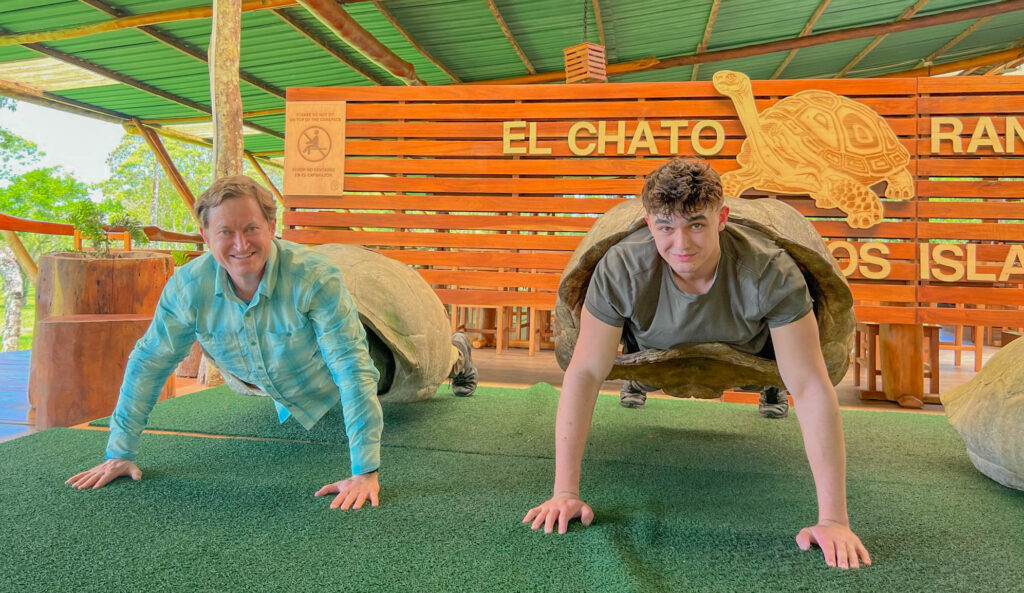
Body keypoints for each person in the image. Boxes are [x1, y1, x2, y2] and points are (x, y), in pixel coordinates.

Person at [522, 158, 871, 570]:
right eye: (666, 227)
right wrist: (565, 491)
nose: (682, 244)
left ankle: (773, 381)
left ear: (722, 218)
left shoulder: (770, 270)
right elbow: (584, 371)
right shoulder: (620, 268)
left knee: (797, 369)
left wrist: (833, 520)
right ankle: (639, 376)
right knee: (599, 352)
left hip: (759, 348)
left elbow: (811, 385)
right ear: (649, 224)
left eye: (697, 225)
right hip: (644, 340)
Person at [66, 175, 478, 510]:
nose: (241, 245)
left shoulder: (314, 277)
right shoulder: (188, 289)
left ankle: (458, 350)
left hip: (365, 349)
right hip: (277, 368)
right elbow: (149, 362)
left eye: (251, 229)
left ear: (271, 228)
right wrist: (118, 452)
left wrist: (364, 470)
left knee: (418, 377)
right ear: (205, 234)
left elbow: (352, 369)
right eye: (225, 231)